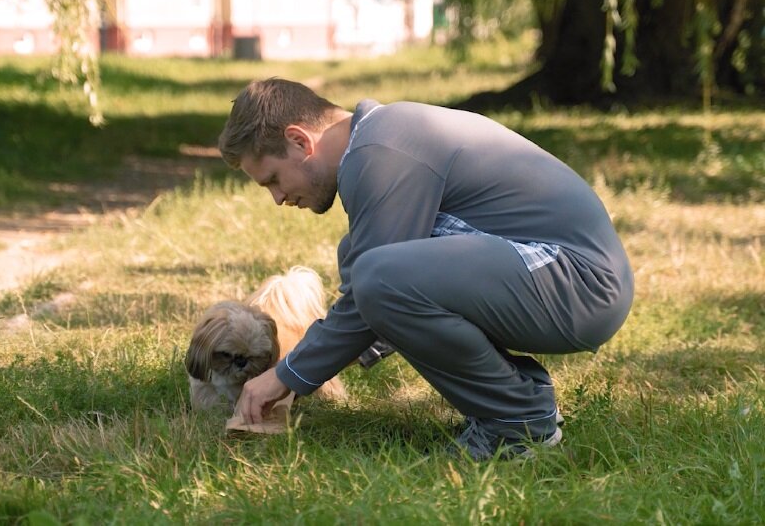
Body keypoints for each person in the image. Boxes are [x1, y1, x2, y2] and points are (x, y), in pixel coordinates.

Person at [218, 78, 634, 461]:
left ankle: (517, 423)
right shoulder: (381, 137)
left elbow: (374, 293)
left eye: (272, 179)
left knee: (377, 276)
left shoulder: (380, 151)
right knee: (360, 257)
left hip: (580, 283)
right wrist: (310, 363)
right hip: (561, 276)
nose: (277, 198)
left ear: (298, 140)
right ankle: (517, 395)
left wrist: (287, 375)